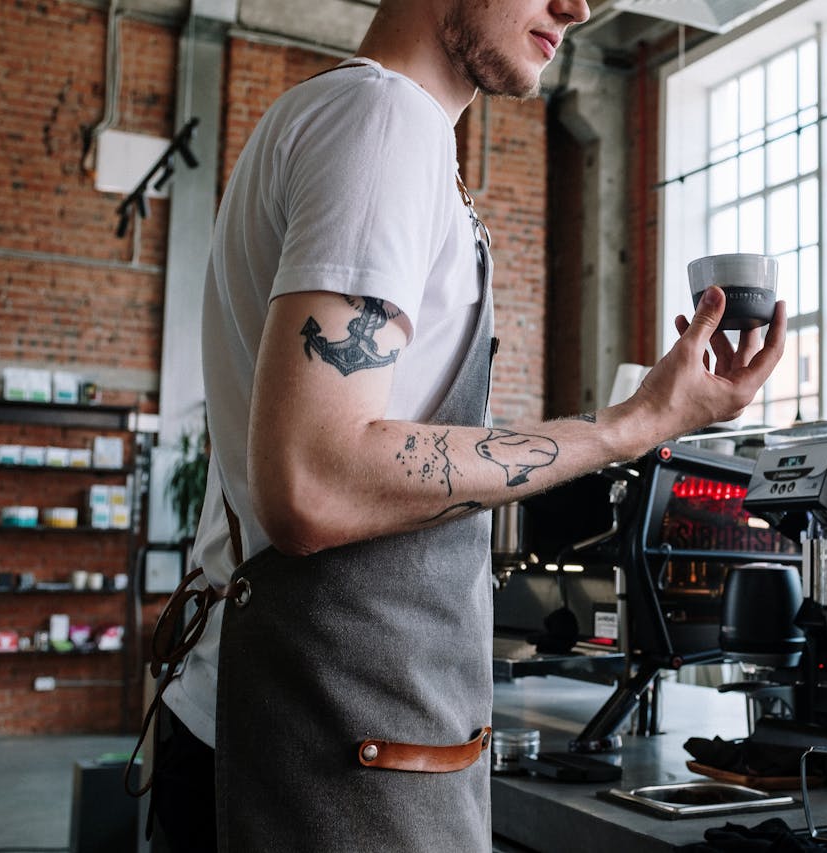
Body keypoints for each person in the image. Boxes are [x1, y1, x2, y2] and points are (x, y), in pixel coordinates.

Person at [143, 0, 787, 850]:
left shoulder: (349, 121)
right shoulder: (383, 124)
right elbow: (313, 478)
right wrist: (627, 427)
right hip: (323, 748)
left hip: (308, 729)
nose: (579, 7)